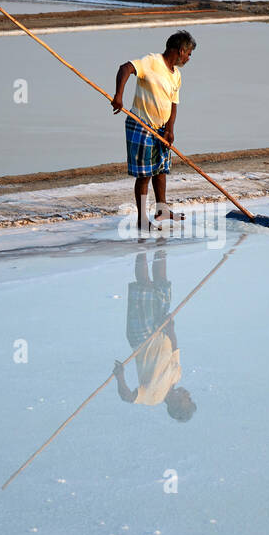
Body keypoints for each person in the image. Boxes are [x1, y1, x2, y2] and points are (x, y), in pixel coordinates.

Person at [111, 30, 196, 233]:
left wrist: (170, 130)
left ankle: (162, 209)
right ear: (181, 50)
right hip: (141, 124)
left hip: (161, 129)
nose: (189, 58)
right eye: (189, 54)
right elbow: (126, 68)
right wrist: (119, 95)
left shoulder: (176, 75)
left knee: (161, 170)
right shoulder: (152, 61)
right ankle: (142, 219)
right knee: (145, 175)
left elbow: (173, 104)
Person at [112, 249, 196, 422]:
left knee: (145, 285)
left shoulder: (153, 398)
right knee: (161, 285)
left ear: (175, 403)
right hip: (160, 329)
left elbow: (127, 397)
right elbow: (174, 348)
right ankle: (160, 243)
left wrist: (120, 377)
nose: (187, 394)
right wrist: (171, 327)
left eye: (186, 398)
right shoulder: (176, 376)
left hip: (142, 338)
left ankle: (141, 244)